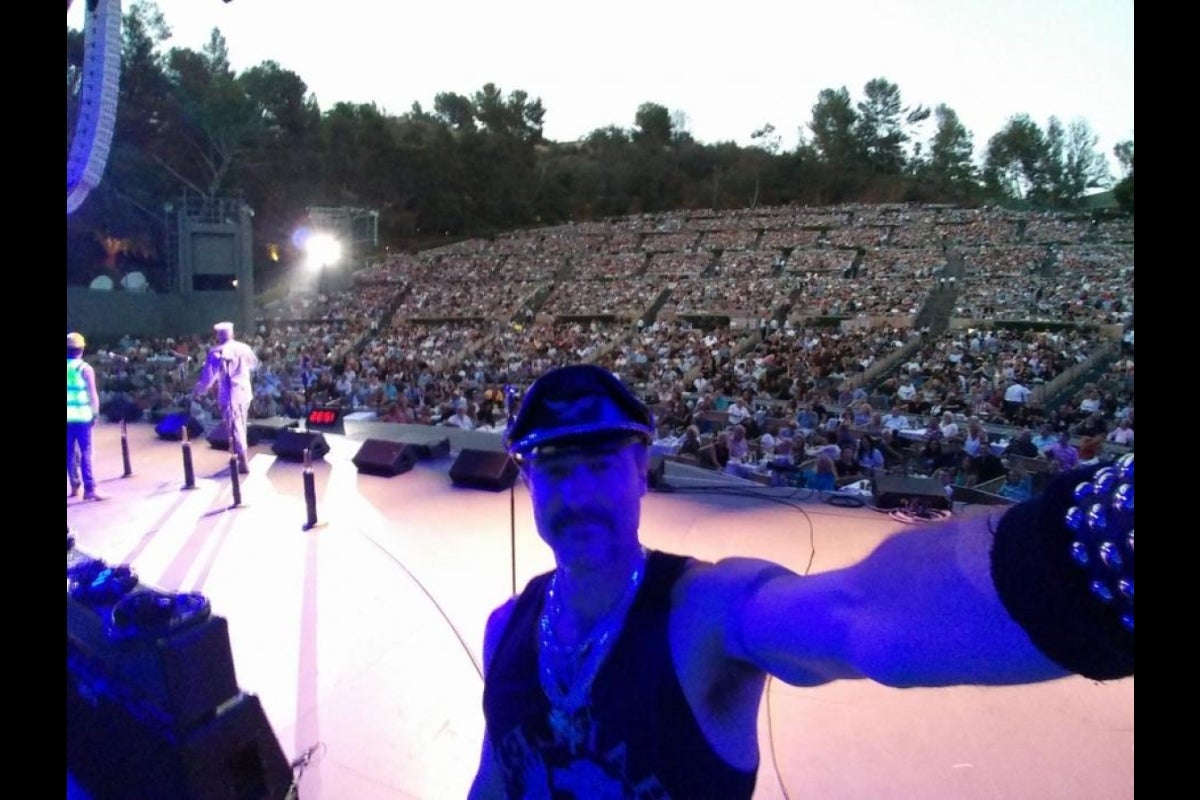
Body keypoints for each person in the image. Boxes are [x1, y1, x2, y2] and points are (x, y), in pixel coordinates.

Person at [468, 364, 1132, 799]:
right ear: (529, 481)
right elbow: (494, 781)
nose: (579, 491)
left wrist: (1094, 551)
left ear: (642, 470)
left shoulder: (702, 614)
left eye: (601, 461)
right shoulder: (507, 629)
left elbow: (862, 612)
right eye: (555, 467)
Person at [194, 321, 259, 475]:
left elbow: (208, 378)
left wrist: (199, 390)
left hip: (230, 394)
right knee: (241, 425)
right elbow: (255, 365)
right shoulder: (244, 348)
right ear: (232, 333)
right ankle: (239, 455)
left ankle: (242, 461)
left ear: (218, 335)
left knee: (235, 429)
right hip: (245, 392)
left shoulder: (217, 352)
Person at [66, 332, 106, 501]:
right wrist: (95, 414)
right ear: (82, 349)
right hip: (83, 417)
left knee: (69, 453)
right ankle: (90, 489)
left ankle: (75, 486)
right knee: (86, 453)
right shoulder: (85, 369)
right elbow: (93, 395)